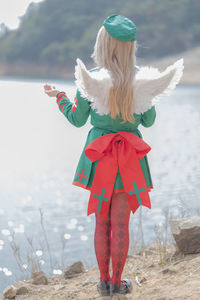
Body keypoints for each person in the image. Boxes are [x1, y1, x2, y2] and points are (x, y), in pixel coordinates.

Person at [44, 14, 184, 297]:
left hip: (100, 158)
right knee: (121, 223)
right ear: (130, 47)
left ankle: (104, 282)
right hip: (130, 158)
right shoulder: (142, 80)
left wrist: (60, 97)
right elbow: (149, 121)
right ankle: (118, 284)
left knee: (101, 222)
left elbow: (77, 119)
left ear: (103, 45)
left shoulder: (91, 80)